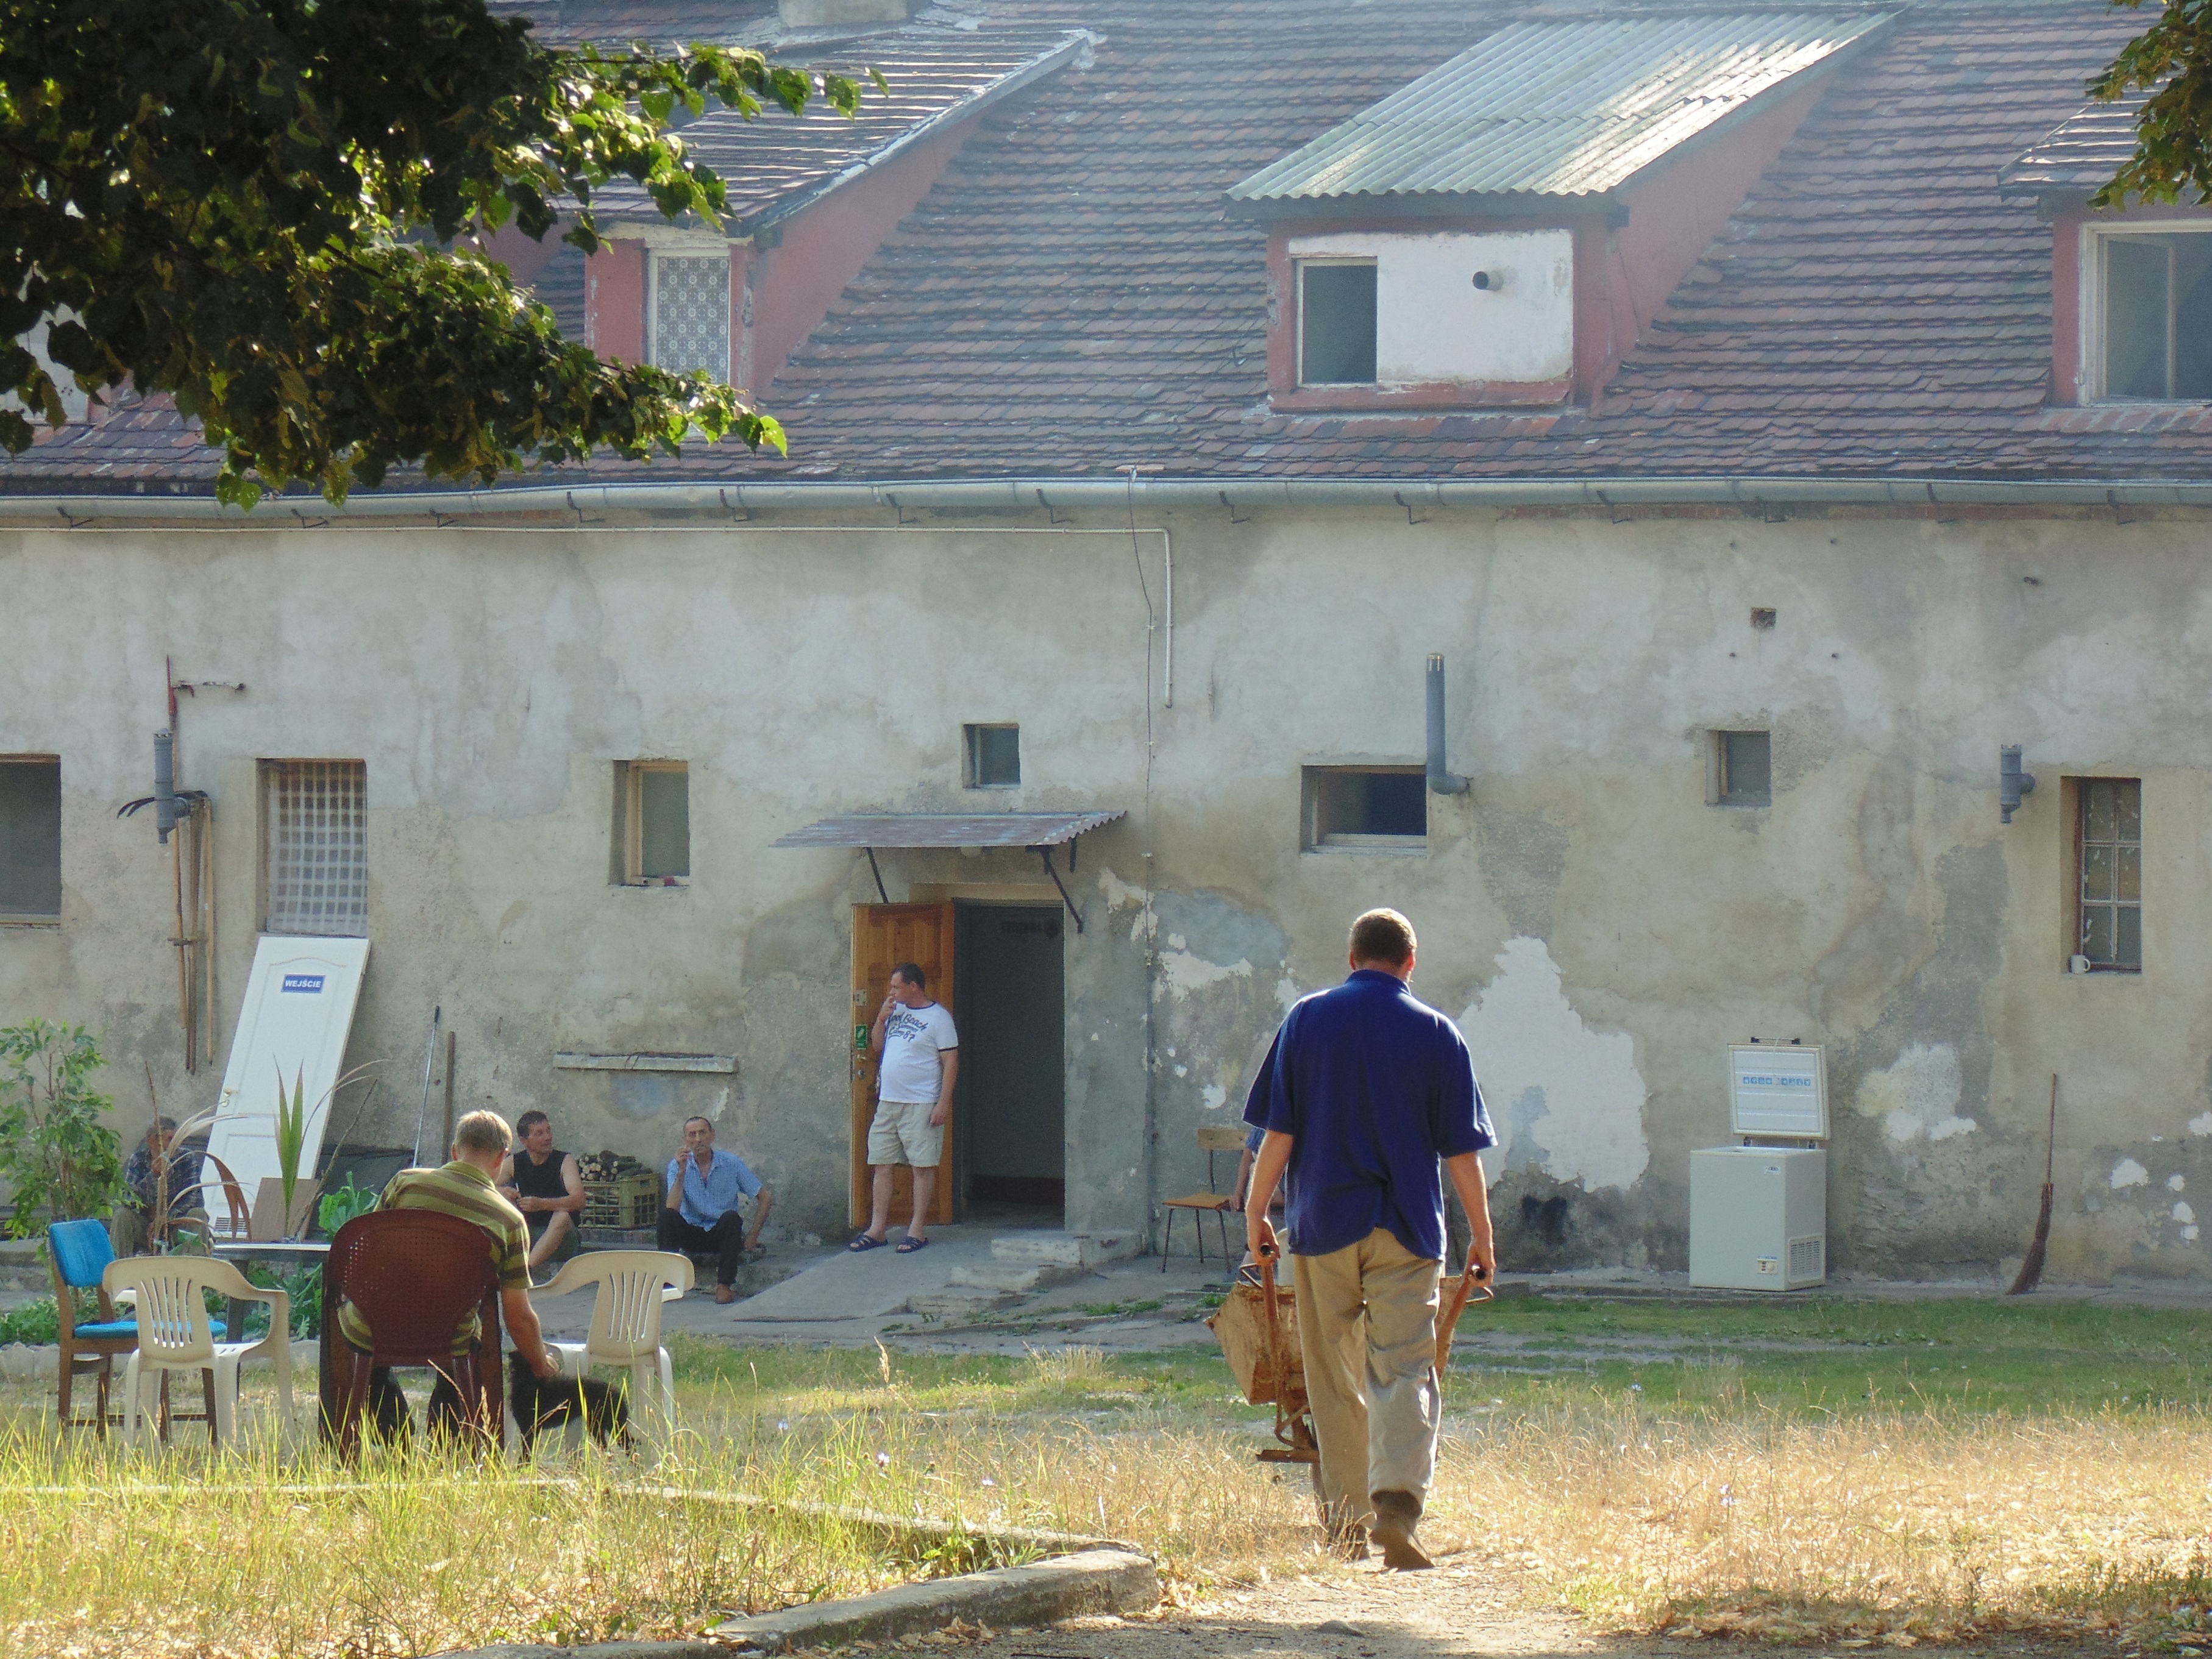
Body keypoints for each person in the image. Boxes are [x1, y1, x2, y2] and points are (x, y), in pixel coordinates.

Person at [1244, 908, 1497, 1571]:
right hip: (1409, 1229)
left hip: (1323, 1224)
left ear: (1351, 957)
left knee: (1332, 1376)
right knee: (1405, 1366)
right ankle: (1397, 1506)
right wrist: (1482, 1237)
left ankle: (1347, 1527)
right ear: (1410, 963)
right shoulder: (1439, 1032)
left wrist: (1254, 1214)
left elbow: (1279, 1133)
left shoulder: (1305, 1019)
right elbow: (1462, 1153)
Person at [333, 1109, 561, 1438]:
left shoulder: (405, 1182)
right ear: (502, 1158)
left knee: (363, 1343)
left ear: (455, 1151)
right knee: (471, 1338)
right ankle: (449, 1443)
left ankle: (395, 1440)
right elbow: (518, 1317)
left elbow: (370, 1250)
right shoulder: (508, 1220)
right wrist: (541, 1365)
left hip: (374, 1323)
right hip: (450, 1330)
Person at [850, 962, 958, 1255]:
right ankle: (877, 1229)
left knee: (922, 1166)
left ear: (914, 986)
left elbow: (950, 1062)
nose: (892, 992)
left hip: (921, 1102)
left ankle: (916, 1231)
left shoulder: (939, 1018)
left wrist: (943, 1103)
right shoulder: (894, 1011)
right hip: (888, 1102)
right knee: (882, 1164)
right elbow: (877, 1047)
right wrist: (881, 1020)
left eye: (897, 987)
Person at [658, 1115, 773, 1304]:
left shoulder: (731, 1163)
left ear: (712, 1136)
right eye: (692, 1135)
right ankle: (668, 1282)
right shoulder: (677, 1166)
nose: (698, 1139)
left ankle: (724, 1285)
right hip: (692, 1232)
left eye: (702, 1133)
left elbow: (765, 1197)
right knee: (665, 1217)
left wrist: (753, 1236)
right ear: (686, 1140)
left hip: (721, 1234)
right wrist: (681, 1173)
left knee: (732, 1218)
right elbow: (672, 1208)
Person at [497, 1110, 586, 1272]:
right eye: (539, 1133)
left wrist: (542, 1204)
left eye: (548, 1131)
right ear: (524, 1140)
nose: (548, 1137)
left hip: (562, 1239)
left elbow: (580, 1200)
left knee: (562, 1216)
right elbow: (482, 1185)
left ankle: (523, 1270)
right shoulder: (514, 1162)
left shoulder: (565, 1161)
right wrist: (502, 1191)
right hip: (528, 1234)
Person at [110, 1117, 205, 1257]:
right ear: (152, 1140)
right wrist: (152, 1176)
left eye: (177, 1139)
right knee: (122, 1215)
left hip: (177, 1225)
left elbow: (195, 1198)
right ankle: (117, 1267)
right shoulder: (138, 1160)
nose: (175, 1144)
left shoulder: (186, 1158)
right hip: (146, 1227)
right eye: (169, 1139)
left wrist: (165, 1219)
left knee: (198, 1213)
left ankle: (195, 1270)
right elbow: (129, 1199)